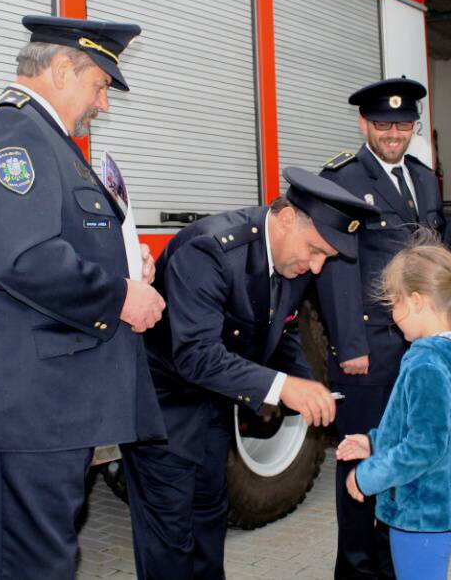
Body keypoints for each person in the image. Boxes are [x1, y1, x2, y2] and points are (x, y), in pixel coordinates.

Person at [0, 15, 168, 579]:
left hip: (40, 409)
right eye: (100, 85)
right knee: (21, 565)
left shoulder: (44, 140)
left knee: (40, 562)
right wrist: (122, 296)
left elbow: (52, 243)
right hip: (16, 409)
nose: (104, 103)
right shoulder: (10, 135)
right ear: (62, 67)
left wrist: (124, 265)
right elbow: (24, 258)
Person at [123, 167, 377, 579]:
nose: (315, 268)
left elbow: (282, 324)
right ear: (289, 219)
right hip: (164, 410)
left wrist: (307, 382)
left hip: (213, 405)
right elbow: (195, 355)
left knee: (209, 518)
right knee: (169, 535)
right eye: (314, 251)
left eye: (324, 259)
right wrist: (283, 387)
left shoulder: (289, 260)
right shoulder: (209, 251)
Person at [315, 76, 451, 578]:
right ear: (363, 124)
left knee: (404, 459)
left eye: (401, 124)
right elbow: (334, 265)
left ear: (415, 126)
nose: (392, 133)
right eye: (381, 124)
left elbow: (436, 255)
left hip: (420, 342)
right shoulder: (343, 180)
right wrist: (349, 345)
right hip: (369, 353)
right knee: (361, 475)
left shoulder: (422, 178)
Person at [335, 236, 451, 580]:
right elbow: (420, 426)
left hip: (423, 514)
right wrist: (373, 442)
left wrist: (368, 475)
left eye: (395, 302)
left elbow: (424, 446)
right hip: (438, 507)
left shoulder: (427, 363)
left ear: (417, 301)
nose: (393, 314)